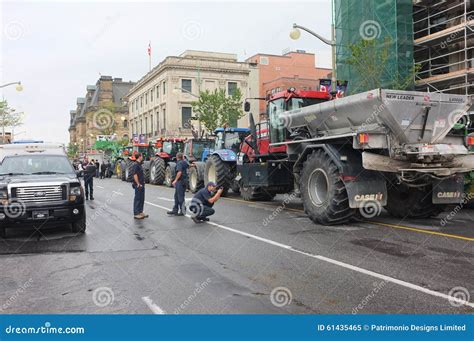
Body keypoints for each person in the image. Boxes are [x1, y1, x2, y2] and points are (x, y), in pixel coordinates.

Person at [132, 153, 148, 219]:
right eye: (142, 156)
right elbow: (135, 175)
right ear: (139, 157)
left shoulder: (140, 164)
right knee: (137, 198)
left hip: (142, 184)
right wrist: (138, 183)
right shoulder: (136, 165)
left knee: (142, 198)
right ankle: (136, 213)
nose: (142, 157)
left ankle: (140, 212)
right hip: (138, 184)